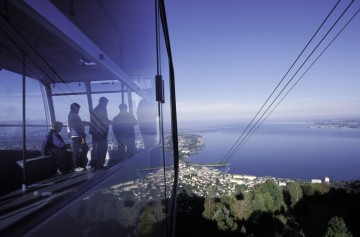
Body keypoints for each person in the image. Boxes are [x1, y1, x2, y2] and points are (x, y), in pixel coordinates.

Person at [89, 97, 111, 169]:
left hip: (96, 131)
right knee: (103, 148)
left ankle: (97, 163)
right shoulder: (102, 108)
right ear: (103, 102)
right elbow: (100, 121)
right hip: (100, 132)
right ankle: (100, 164)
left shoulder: (96, 108)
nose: (107, 105)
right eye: (106, 103)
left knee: (98, 148)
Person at [68, 102, 89, 170]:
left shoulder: (73, 114)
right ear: (75, 108)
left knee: (83, 149)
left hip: (77, 135)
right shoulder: (73, 115)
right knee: (77, 150)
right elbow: (74, 126)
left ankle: (81, 165)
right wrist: (80, 135)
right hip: (77, 136)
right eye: (78, 108)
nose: (79, 110)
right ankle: (77, 166)